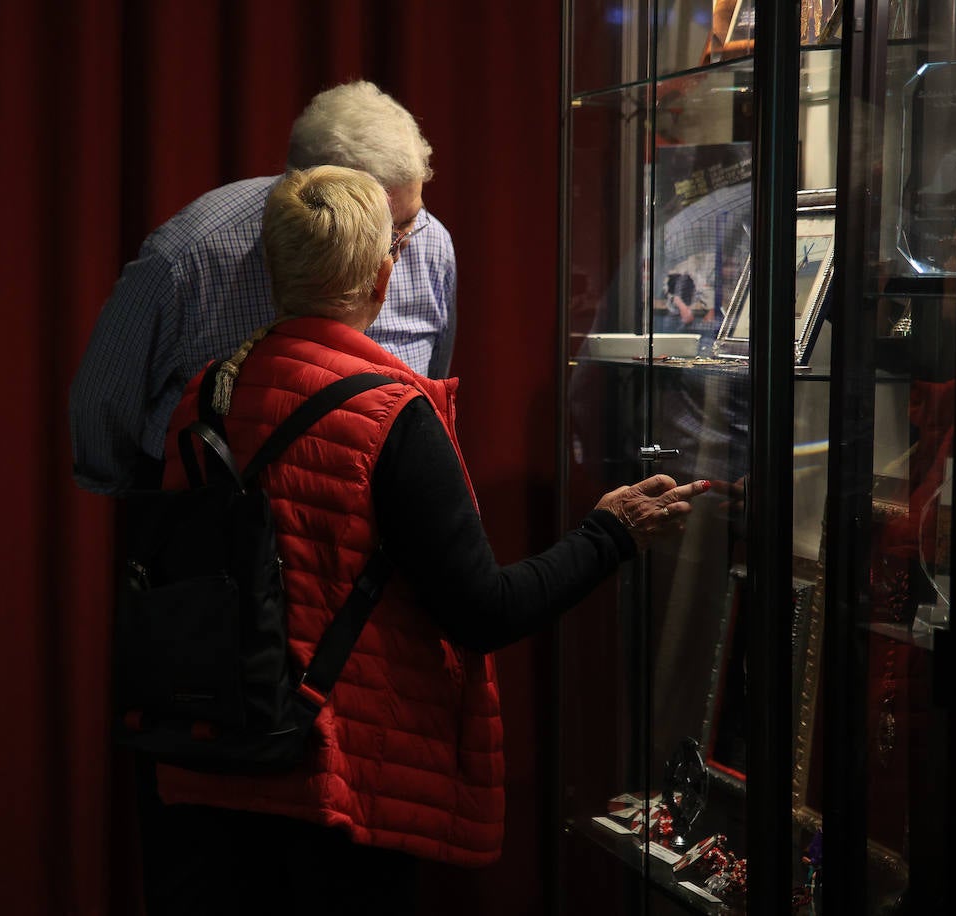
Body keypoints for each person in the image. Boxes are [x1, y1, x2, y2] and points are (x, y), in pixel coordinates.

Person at [139, 165, 710, 915]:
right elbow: (482, 611)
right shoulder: (390, 416)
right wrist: (612, 532)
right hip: (334, 790)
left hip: (204, 771)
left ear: (274, 269)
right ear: (381, 279)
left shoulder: (205, 393)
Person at [69, 80, 457, 494]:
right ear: (308, 195)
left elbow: (429, 398)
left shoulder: (430, 243)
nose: (395, 253)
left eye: (409, 220)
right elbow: (103, 404)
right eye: (383, 228)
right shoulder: (189, 257)